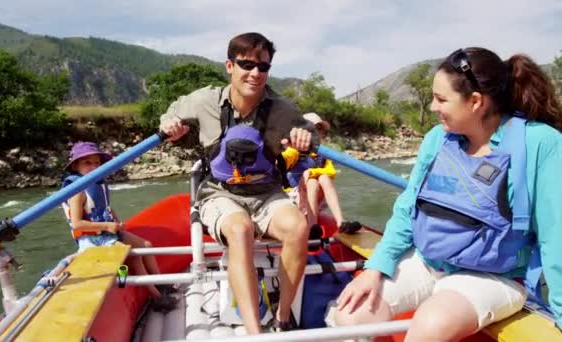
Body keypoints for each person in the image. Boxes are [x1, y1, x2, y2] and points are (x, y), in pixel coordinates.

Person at [334, 47, 562, 341]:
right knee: (350, 315)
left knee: (431, 324)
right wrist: (375, 267)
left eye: (441, 99)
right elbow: (408, 207)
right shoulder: (436, 138)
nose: (432, 107)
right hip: (429, 261)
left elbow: (556, 235)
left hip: (494, 276)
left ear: (475, 102)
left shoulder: (540, 143)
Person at [159, 32, 313, 334]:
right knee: (240, 228)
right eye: (246, 65)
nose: (255, 74)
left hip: (266, 193)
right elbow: (169, 116)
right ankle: (256, 332)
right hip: (219, 192)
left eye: (263, 67)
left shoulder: (280, 109)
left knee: (297, 228)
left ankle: (283, 318)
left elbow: (308, 130)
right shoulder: (204, 101)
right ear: (230, 66)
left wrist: (306, 137)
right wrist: (169, 125)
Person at [61, 142, 177, 311]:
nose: (93, 167)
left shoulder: (98, 184)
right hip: (93, 239)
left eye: (96, 163)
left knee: (146, 246)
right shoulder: (77, 191)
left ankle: (159, 284)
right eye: (87, 163)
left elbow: (103, 207)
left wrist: (115, 219)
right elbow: (77, 224)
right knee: (134, 257)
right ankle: (155, 296)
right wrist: (108, 226)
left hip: (107, 232)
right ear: (75, 166)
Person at [282, 112, 362, 234]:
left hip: (313, 199)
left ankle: (341, 222)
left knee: (324, 177)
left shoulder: (322, 154)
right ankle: (312, 227)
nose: (317, 133)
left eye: (319, 129)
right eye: (312, 129)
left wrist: (312, 171)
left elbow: (331, 172)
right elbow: (282, 161)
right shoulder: (294, 151)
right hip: (293, 200)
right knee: (313, 182)